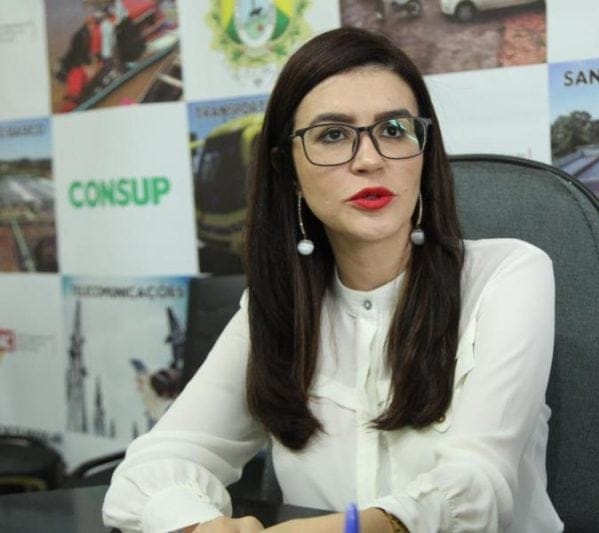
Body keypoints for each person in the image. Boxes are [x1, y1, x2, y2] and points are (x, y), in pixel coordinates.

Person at [102, 27, 562, 533]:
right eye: (333, 135)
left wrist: (347, 529)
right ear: (289, 172)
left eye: (393, 130)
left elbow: (477, 487)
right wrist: (203, 528)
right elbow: (148, 472)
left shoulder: (509, 274)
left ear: (424, 152)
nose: (370, 160)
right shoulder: (276, 307)